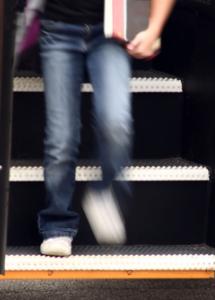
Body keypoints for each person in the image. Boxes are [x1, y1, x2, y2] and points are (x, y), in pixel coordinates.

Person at [19, 0, 176, 256]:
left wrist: (154, 28)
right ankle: (56, 225)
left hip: (111, 33)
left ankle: (106, 190)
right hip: (57, 30)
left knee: (116, 122)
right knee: (62, 137)